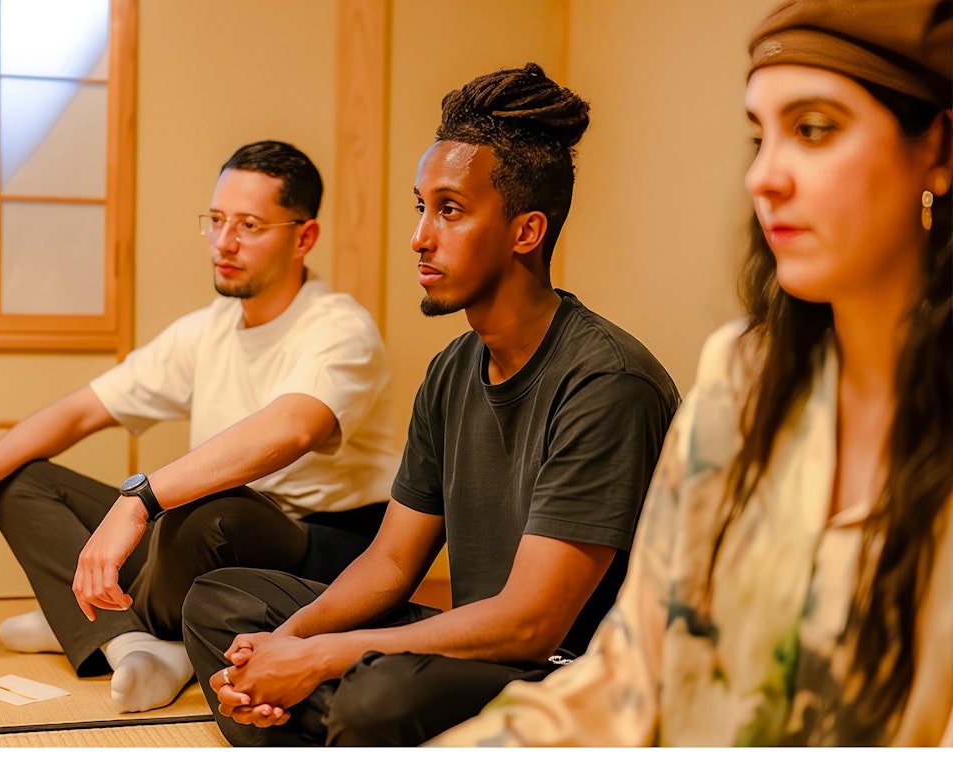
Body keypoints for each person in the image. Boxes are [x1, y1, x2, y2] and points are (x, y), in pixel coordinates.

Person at [431, 0, 953, 748]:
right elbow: (634, 671)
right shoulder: (740, 379)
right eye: (758, 135)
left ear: (939, 146)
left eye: (813, 129)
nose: (765, 176)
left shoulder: (606, 374)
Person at [180, 63, 681, 747]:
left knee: (379, 697)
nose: (420, 235)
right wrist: (281, 643)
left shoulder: (607, 382)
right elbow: (389, 563)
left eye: (449, 210)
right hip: (477, 647)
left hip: (569, 674)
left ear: (525, 231)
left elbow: (534, 623)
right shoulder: (452, 369)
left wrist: (324, 658)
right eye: (421, 206)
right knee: (222, 604)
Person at [0, 140, 401, 714]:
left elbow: (292, 429)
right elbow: (83, 409)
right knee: (23, 480)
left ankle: (83, 620)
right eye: (217, 220)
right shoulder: (207, 330)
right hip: (203, 543)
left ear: (303, 237)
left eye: (249, 225)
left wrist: (140, 500)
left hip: (317, 547)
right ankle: (131, 639)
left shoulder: (339, 328)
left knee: (200, 507)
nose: (224, 243)